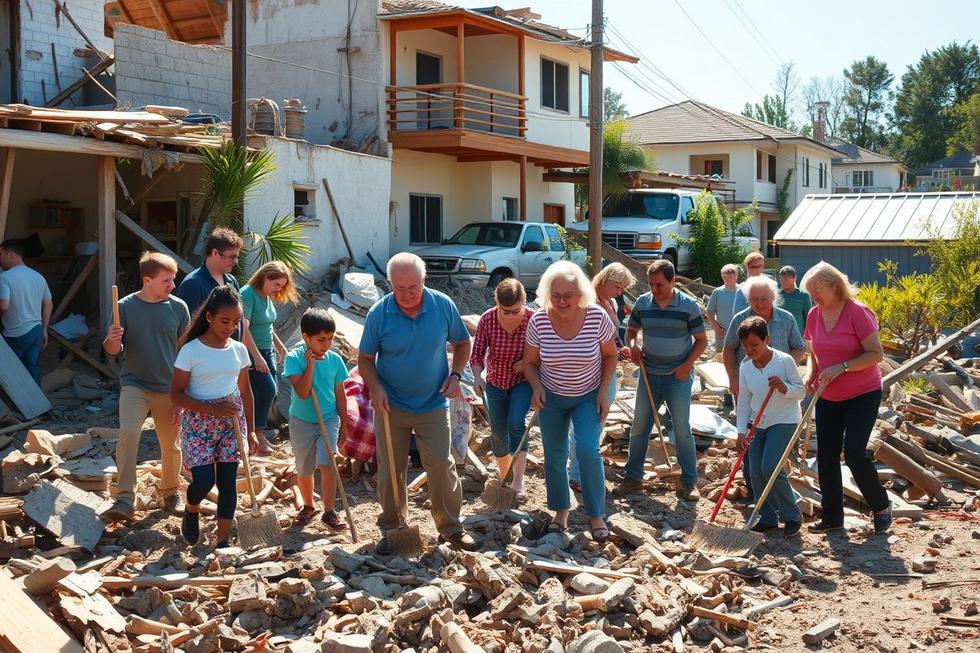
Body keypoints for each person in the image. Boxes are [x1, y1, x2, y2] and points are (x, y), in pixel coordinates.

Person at [358, 252, 477, 553]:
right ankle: (394, 528)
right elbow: (365, 359)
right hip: (391, 405)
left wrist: (456, 375)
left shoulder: (442, 306)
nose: (407, 294)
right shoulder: (379, 313)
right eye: (400, 288)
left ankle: (451, 527)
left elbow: (463, 343)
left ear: (424, 280)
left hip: (433, 403)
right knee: (390, 470)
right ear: (389, 284)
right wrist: (375, 388)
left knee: (441, 463)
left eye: (413, 286)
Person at [524, 261, 617, 541]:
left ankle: (595, 514)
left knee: (588, 450)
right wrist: (537, 386)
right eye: (556, 295)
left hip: (587, 395)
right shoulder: (538, 320)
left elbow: (611, 355)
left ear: (581, 295)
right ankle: (560, 512)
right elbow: (529, 363)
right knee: (554, 455)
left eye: (568, 295)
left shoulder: (597, 317)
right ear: (547, 294)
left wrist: (603, 393)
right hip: (551, 397)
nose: (561, 301)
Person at [801, 261, 891, 534]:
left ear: (835, 286)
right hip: (829, 393)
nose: (814, 297)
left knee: (853, 452)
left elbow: (876, 354)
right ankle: (832, 517)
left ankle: (881, 506)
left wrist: (842, 367)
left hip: (862, 392)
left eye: (817, 290)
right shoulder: (815, 315)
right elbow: (813, 355)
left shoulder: (858, 312)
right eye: (811, 292)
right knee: (826, 454)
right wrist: (810, 375)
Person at [102, 253, 190, 522]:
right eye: (166, 281)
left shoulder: (178, 308)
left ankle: (170, 492)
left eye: (173, 279)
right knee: (128, 434)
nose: (172, 286)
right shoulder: (125, 307)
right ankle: (125, 497)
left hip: (169, 387)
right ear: (147, 280)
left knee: (171, 445)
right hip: (134, 383)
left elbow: (185, 353)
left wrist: (182, 394)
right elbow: (113, 351)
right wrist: (112, 339)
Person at [170, 286, 256, 548]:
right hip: (199, 421)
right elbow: (176, 394)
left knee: (228, 481)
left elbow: (246, 391)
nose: (230, 326)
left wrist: (252, 429)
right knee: (204, 481)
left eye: (235, 321)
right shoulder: (191, 350)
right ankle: (192, 506)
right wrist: (211, 409)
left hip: (232, 419)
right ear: (209, 317)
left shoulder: (239, 350)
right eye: (224, 321)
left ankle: (222, 540)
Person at [617, 259, 708, 501]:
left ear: (672, 281)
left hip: (678, 376)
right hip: (648, 375)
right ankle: (633, 477)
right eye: (651, 284)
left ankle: (689, 481)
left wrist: (686, 366)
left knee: (681, 429)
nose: (654, 290)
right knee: (639, 427)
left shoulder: (688, 306)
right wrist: (633, 347)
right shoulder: (643, 302)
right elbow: (632, 332)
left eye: (659, 285)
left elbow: (702, 340)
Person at [568, 262, 635, 492]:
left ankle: (585, 468)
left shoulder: (611, 302)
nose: (619, 292)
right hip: (588, 372)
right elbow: (583, 339)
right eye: (617, 286)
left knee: (596, 423)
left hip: (606, 368)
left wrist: (620, 348)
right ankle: (576, 474)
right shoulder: (586, 302)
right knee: (584, 425)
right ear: (605, 280)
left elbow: (610, 337)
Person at [735, 316, 805, 536]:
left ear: (767, 339)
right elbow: (744, 400)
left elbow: (801, 392)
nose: (749, 350)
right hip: (758, 422)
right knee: (754, 472)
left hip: (784, 420)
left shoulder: (784, 361)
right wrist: (740, 431)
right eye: (745, 345)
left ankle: (792, 515)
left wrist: (784, 388)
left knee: (770, 468)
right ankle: (767, 517)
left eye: (754, 344)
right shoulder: (745, 366)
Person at [283, 308, 350, 530]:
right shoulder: (294, 358)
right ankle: (309, 506)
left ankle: (329, 511)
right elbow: (302, 392)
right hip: (301, 420)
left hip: (329, 418)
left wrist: (345, 425)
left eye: (330, 339)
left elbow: (340, 394)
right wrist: (310, 366)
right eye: (321, 340)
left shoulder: (335, 360)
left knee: (328, 463)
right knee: (305, 467)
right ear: (305, 337)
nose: (326, 344)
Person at [470, 278, 533, 498]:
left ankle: (518, 483)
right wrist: (478, 376)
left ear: (524, 303)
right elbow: (477, 353)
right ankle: (505, 476)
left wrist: (526, 363)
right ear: (497, 303)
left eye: (516, 310)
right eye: (505, 311)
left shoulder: (532, 320)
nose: (511, 316)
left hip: (523, 382)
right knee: (497, 432)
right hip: (495, 382)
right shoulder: (487, 319)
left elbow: (544, 353)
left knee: (516, 423)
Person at [242, 261, 298, 455]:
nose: (279, 289)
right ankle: (257, 434)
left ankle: (257, 435)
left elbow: (267, 324)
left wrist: (280, 346)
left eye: (282, 286)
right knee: (266, 390)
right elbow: (244, 329)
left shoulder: (265, 296)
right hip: (252, 351)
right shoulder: (247, 294)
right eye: (277, 285)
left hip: (268, 351)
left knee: (269, 393)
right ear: (265, 277)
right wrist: (256, 357)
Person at [723, 276, 805, 399]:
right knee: (748, 416)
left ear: (773, 297)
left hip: (780, 384)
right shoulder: (739, 319)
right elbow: (728, 348)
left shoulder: (787, 319)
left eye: (764, 299)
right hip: (748, 384)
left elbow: (798, 347)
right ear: (748, 300)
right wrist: (732, 378)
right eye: (754, 299)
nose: (759, 304)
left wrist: (786, 369)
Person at [0, 240, 52, 384]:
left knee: (8, 371)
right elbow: (48, 302)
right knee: (32, 368)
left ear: (11, 254)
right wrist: (45, 329)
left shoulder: (5, 277)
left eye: (1, 254)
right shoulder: (38, 276)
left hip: (17, 333)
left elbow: (4, 306)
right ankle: (39, 404)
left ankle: (12, 405)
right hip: (36, 331)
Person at [176, 227, 242, 323]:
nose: (235, 262)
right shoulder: (193, 283)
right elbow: (187, 327)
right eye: (232, 257)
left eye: (236, 258)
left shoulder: (232, 281)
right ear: (215, 253)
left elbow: (240, 320)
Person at [706, 264, 740, 356]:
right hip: (722, 332)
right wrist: (715, 326)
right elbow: (709, 311)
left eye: (730, 276)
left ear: (736, 276)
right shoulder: (717, 292)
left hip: (740, 332)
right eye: (725, 276)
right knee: (721, 357)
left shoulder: (743, 291)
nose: (727, 278)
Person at [778, 265, 811, 335]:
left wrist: (807, 336)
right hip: (779, 335)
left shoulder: (804, 296)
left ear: (794, 278)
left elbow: (809, 318)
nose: (783, 281)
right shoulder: (776, 295)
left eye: (786, 279)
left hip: (798, 336)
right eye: (781, 279)